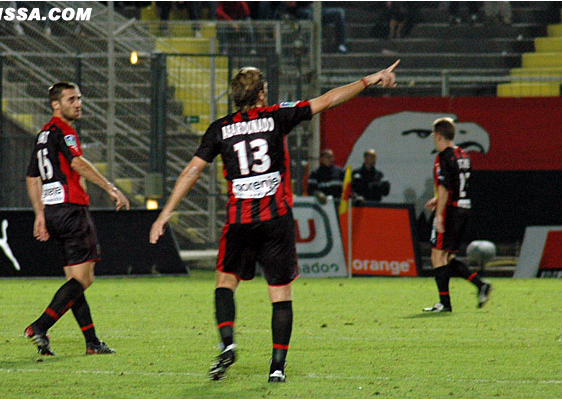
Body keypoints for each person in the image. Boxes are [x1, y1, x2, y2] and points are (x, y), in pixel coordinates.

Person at [150, 60, 400, 382]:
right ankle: (277, 367)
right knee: (280, 294)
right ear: (262, 94)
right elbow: (326, 101)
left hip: (239, 222)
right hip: (275, 219)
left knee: (225, 283)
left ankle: (227, 344)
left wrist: (167, 211)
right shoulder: (275, 117)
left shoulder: (220, 128)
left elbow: (192, 170)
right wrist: (369, 80)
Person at [24, 82, 130, 356]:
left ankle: (92, 342)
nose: (78, 103)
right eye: (71, 99)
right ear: (55, 105)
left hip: (53, 211)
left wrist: (39, 214)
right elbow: (77, 163)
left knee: (74, 280)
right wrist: (111, 188)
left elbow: (33, 177)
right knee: (84, 279)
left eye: (80, 98)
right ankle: (40, 326)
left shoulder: (42, 135)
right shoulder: (64, 131)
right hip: (72, 210)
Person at [422, 117, 491, 313]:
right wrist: (439, 200)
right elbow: (458, 184)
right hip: (464, 208)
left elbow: (444, 187)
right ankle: (480, 285)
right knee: (447, 257)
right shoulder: (463, 155)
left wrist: (439, 215)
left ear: (437, 135)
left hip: (451, 210)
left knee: (437, 256)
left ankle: (445, 303)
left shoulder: (444, 156)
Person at [282, 2, 348, 53]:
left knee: (339, 13)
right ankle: (308, 46)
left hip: (317, 9)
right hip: (301, 10)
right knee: (311, 15)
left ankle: (341, 44)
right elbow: (290, 4)